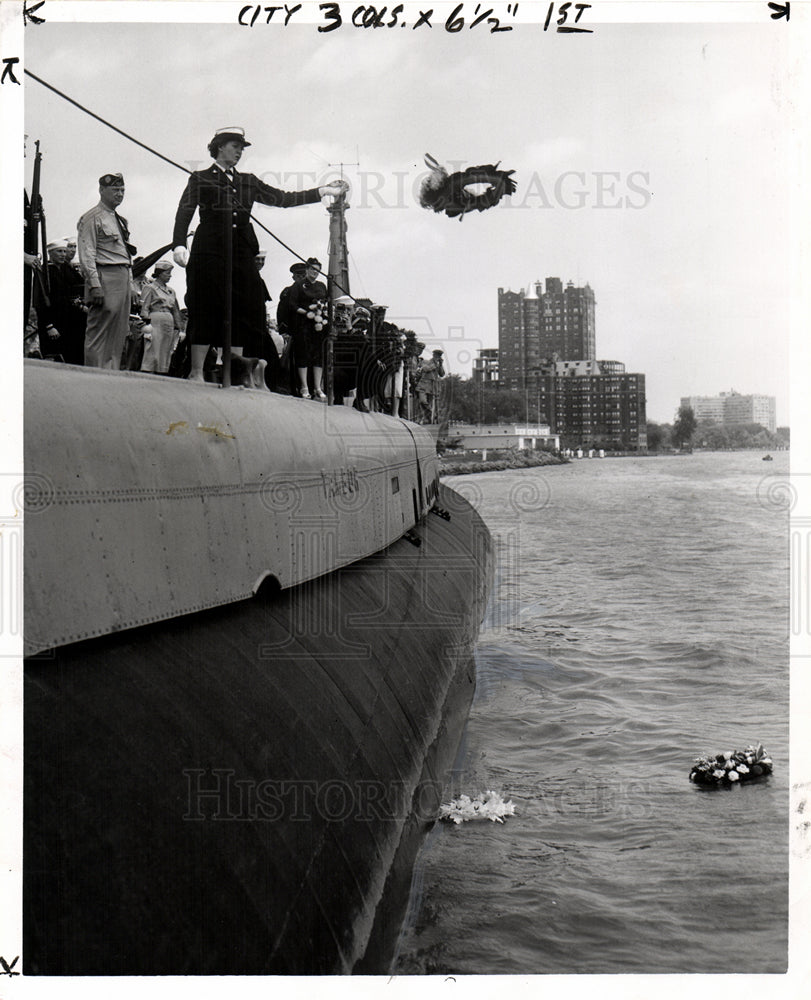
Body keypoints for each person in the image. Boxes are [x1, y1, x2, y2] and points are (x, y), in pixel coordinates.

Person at [171, 127, 347, 383]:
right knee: (205, 304)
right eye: (235, 146)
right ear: (220, 147)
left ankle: (233, 371)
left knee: (244, 306)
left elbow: (283, 198)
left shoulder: (248, 181)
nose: (240, 152)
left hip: (241, 249)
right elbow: (184, 210)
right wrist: (179, 244)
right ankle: (197, 371)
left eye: (242, 148)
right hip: (209, 248)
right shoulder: (201, 178)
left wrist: (322, 191)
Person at [77, 172, 136, 368]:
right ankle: (93, 373)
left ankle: (110, 374)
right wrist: (94, 284)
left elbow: (126, 255)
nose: (120, 194)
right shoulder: (91, 217)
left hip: (122, 276)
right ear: (102, 190)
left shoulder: (120, 220)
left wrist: (131, 283)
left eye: (122, 190)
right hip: (105, 275)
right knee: (99, 330)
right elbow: (87, 253)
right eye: (115, 190)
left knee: (118, 331)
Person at [288, 257, 328, 399]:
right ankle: (304, 387)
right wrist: (306, 313)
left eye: (317, 270)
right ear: (307, 269)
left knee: (318, 355)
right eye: (312, 269)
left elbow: (326, 302)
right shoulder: (298, 285)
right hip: (303, 324)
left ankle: (317, 387)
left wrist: (322, 313)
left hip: (318, 325)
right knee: (303, 354)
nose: (315, 272)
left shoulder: (322, 286)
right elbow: (292, 305)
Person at [140, 261, 182, 375]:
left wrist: (179, 328)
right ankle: (148, 370)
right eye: (167, 273)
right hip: (155, 318)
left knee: (166, 348)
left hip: (168, 320)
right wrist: (145, 324)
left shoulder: (171, 291)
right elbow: (144, 307)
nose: (170, 275)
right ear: (159, 273)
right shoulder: (150, 287)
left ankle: (162, 371)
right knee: (153, 346)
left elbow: (175, 309)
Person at [417, 349, 445, 423]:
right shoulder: (426, 362)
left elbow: (442, 374)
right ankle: (431, 414)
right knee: (422, 401)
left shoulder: (438, 365)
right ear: (433, 355)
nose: (437, 357)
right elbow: (426, 369)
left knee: (429, 403)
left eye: (439, 356)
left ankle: (428, 419)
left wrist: (441, 365)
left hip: (432, 387)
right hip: (423, 385)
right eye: (436, 356)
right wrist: (435, 365)